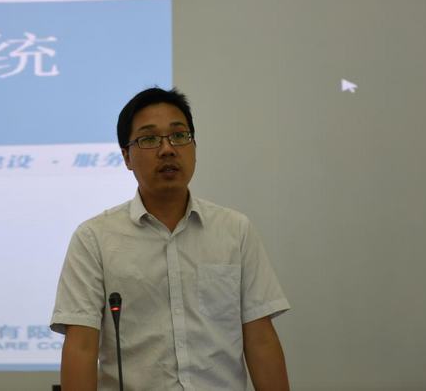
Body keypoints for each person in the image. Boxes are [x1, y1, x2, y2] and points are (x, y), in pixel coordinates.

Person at [50, 87, 290, 390]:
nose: (167, 149)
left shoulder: (234, 230)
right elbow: (81, 347)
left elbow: (260, 339)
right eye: (149, 139)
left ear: (194, 146)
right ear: (126, 156)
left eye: (179, 135)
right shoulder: (94, 239)